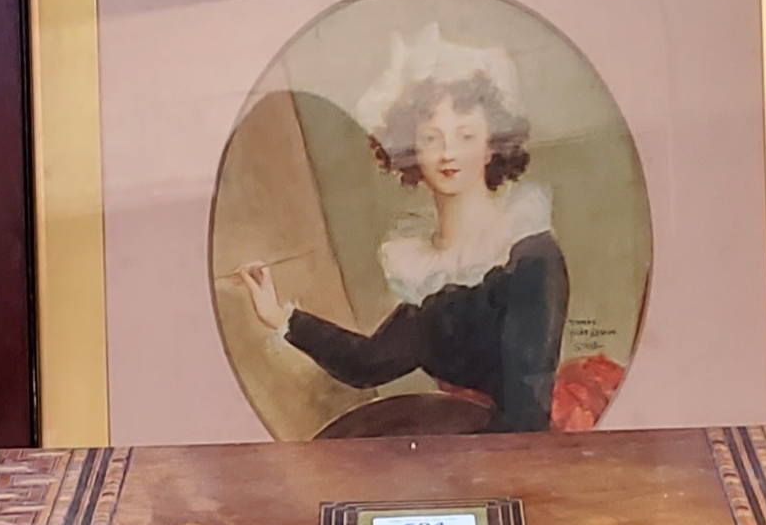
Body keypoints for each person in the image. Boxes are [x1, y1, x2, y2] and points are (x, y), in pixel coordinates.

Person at [239, 24, 569, 431]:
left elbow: (525, 419)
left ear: (491, 147)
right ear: (411, 152)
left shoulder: (530, 259)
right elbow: (369, 362)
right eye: (431, 138)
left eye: (465, 136)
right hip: (469, 436)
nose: (448, 153)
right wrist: (281, 318)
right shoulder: (428, 273)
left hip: (519, 446)